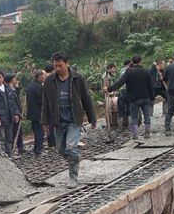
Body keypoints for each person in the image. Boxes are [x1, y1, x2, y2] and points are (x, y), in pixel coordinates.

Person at [41, 51, 96, 188]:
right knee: (61, 150)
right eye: (55, 66)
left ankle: (73, 178)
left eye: (60, 65)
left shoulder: (78, 78)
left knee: (71, 148)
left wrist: (92, 118)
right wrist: (45, 122)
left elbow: (86, 99)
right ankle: (75, 158)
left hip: (74, 120)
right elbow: (46, 102)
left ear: (67, 63)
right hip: (58, 121)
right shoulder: (49, 81)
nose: (57, 68)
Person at [107, 55, 154, 140]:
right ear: (140, 61)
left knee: (134, 117)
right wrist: (152, 98)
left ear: (132, 62)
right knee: (147, 116)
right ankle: (147, 133)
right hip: (145, 97)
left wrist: (109, 89)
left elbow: (119, 83)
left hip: (134, 99)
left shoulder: (129, 72)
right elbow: (151, 86)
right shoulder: (146, 71)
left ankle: (135, 134)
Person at [0, 70, 21, 158]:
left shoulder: (8, 88)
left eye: (0, 77)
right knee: (1, 138)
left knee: (9, 137)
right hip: (0, 118)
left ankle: (10, 154)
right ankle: (3, 156)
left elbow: (13, 103)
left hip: (9, 116)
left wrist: (16, 113)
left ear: (3, 77)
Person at [25, 69, 46, 156]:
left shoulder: (29, 85)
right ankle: (38, 150)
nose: (45, 77)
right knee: (40, 132)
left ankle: (37, 148)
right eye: (44, 75)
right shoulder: (39, 87)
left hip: (31, 112)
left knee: (36, 130)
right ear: (39, 76)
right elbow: (42, 101)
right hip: (39, 112)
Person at [5, 73, 25, 156]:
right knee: (14, 132)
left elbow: (16, 98)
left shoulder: (12, 88)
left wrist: (17, 87)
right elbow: (12, 103)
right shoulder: (7, 90)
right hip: (13, 114)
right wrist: (16, 114)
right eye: (14, 78)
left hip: (17, 112)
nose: (16, 80)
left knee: (19, 131)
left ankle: (20, 147)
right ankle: (12, 150)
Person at [101, 63, 119, 129]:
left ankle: (114, 122)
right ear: (109, 68)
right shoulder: (105, 76)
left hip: (113, 93)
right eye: (113, 68)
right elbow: (105, 87)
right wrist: (109, 92)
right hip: (108, 94)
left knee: (115, 107)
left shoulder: (112, 75)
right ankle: (109, 123)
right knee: (108, 110)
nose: (114, 70)